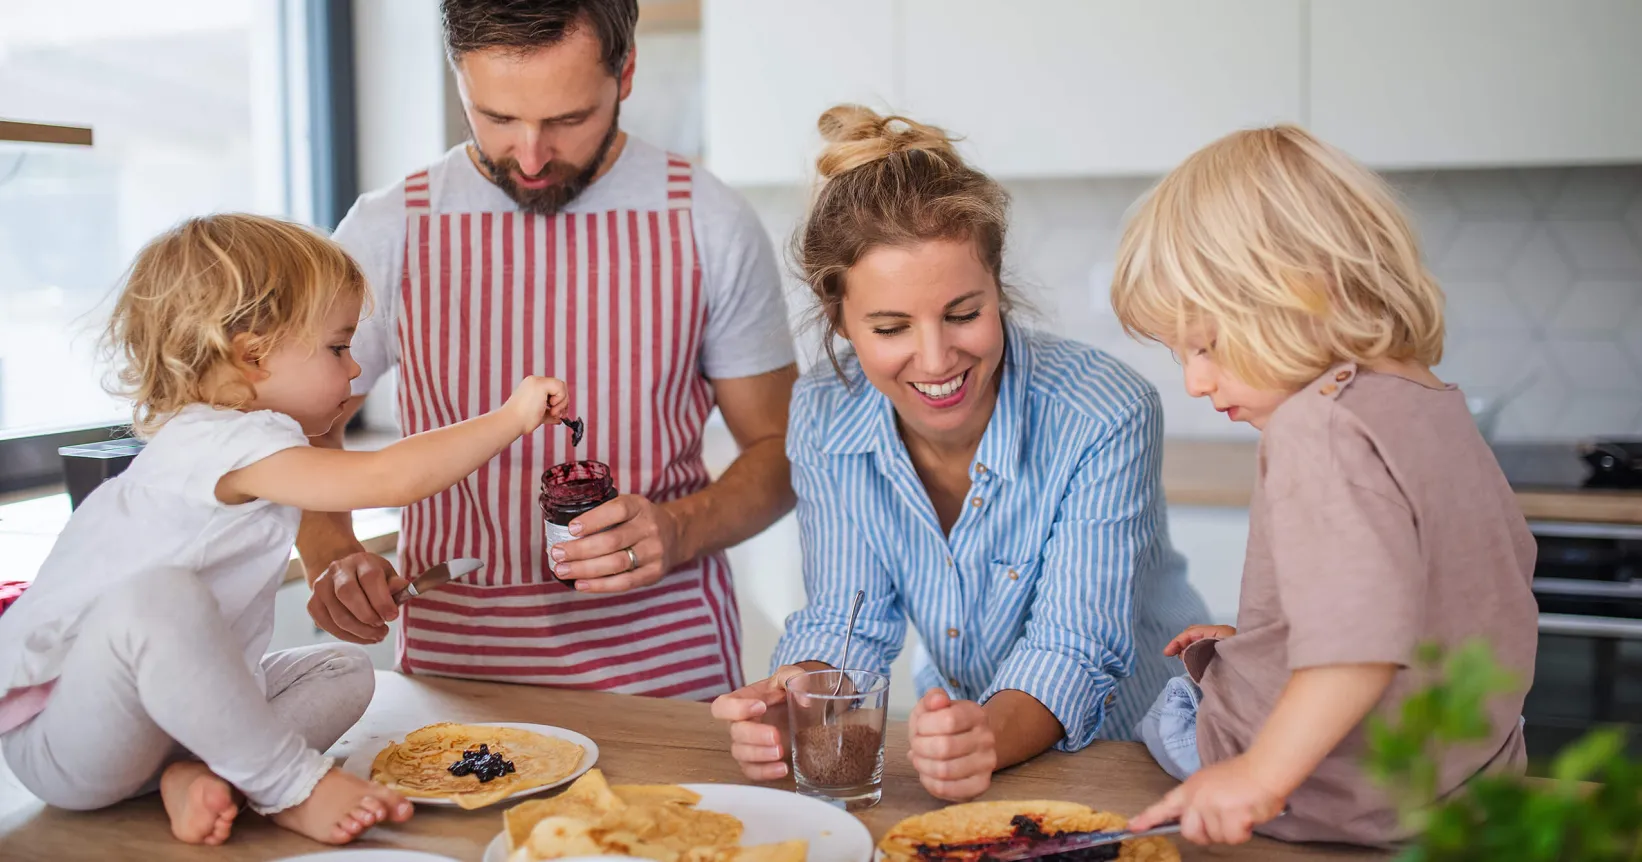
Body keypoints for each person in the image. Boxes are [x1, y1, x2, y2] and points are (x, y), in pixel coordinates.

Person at [0, 214, 571, 846]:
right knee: (158, 598)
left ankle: (206, 775)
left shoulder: (248, 444)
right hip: (69, 743)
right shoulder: (215, 440)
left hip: (162, 730)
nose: (354, 368)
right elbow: (388, 477)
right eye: (338, 348)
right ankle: (287, 784)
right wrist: (510, 417)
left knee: (343, 669)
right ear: (253, 356)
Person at [297, 0, 798, 700]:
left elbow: (781, 452)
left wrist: (679, 529)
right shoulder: (389, 229)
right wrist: (332, 554)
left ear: (625, 73)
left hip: (669, 675)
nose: (530, 157)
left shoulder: (709, 222)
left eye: (568, 119)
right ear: (459, 76)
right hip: (456, 675)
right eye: (497, 117)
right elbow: (303, 427)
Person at [711, 106, 1209, 802]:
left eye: (963, 314)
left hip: (1143, 754)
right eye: (891, 327)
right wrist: (794, 700)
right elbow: (846, 618)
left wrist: (984, 738)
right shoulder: (825, 410)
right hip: (971, 756)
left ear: (996, 286)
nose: (937, 358)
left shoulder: (1104, 412)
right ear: (839, 318)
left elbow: (1074, 646)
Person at [1112, 126, 1539, 847]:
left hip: (1332, 798)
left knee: (1170, 708)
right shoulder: (1436, 405)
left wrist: (1257, 777)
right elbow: (1438, 602)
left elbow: (1357, 645)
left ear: (1305, 290)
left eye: (1206, 345)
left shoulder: (1317, 425)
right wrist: (1270, 639)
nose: (1195, 381)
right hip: (1464, 788)